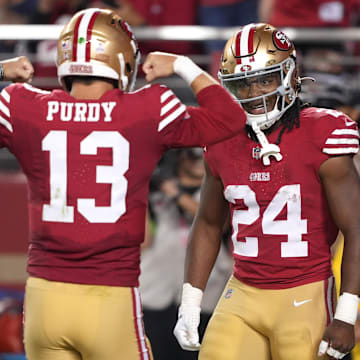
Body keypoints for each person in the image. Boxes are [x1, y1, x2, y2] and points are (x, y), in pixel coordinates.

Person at [0, 7, 247, 360]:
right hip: (109, 296)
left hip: (44, 300)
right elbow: (230, 119)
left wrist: (0, 70)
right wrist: (182, 65)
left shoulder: (21, 105)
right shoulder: (149, 109)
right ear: (121, 60)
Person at [173, 23, 360, 360]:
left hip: (304, 293)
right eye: (243, 83)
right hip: (242, 291)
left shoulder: (323, 132)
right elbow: (209, 223)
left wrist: (347, 313)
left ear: (289, 75)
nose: (254, 92)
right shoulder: (220, 139)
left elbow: (357, 227)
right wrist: (191, 299)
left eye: (265, 79)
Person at [140, 148, 232, 360]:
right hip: (156, 288)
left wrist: (177, 195)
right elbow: (144, 239)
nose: (200, 160)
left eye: (204, 155)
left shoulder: (219, 188)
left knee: (198, 354)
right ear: (180, 157)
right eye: (193, 155)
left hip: (207, 290)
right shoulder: (156, 189)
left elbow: (222, 224)